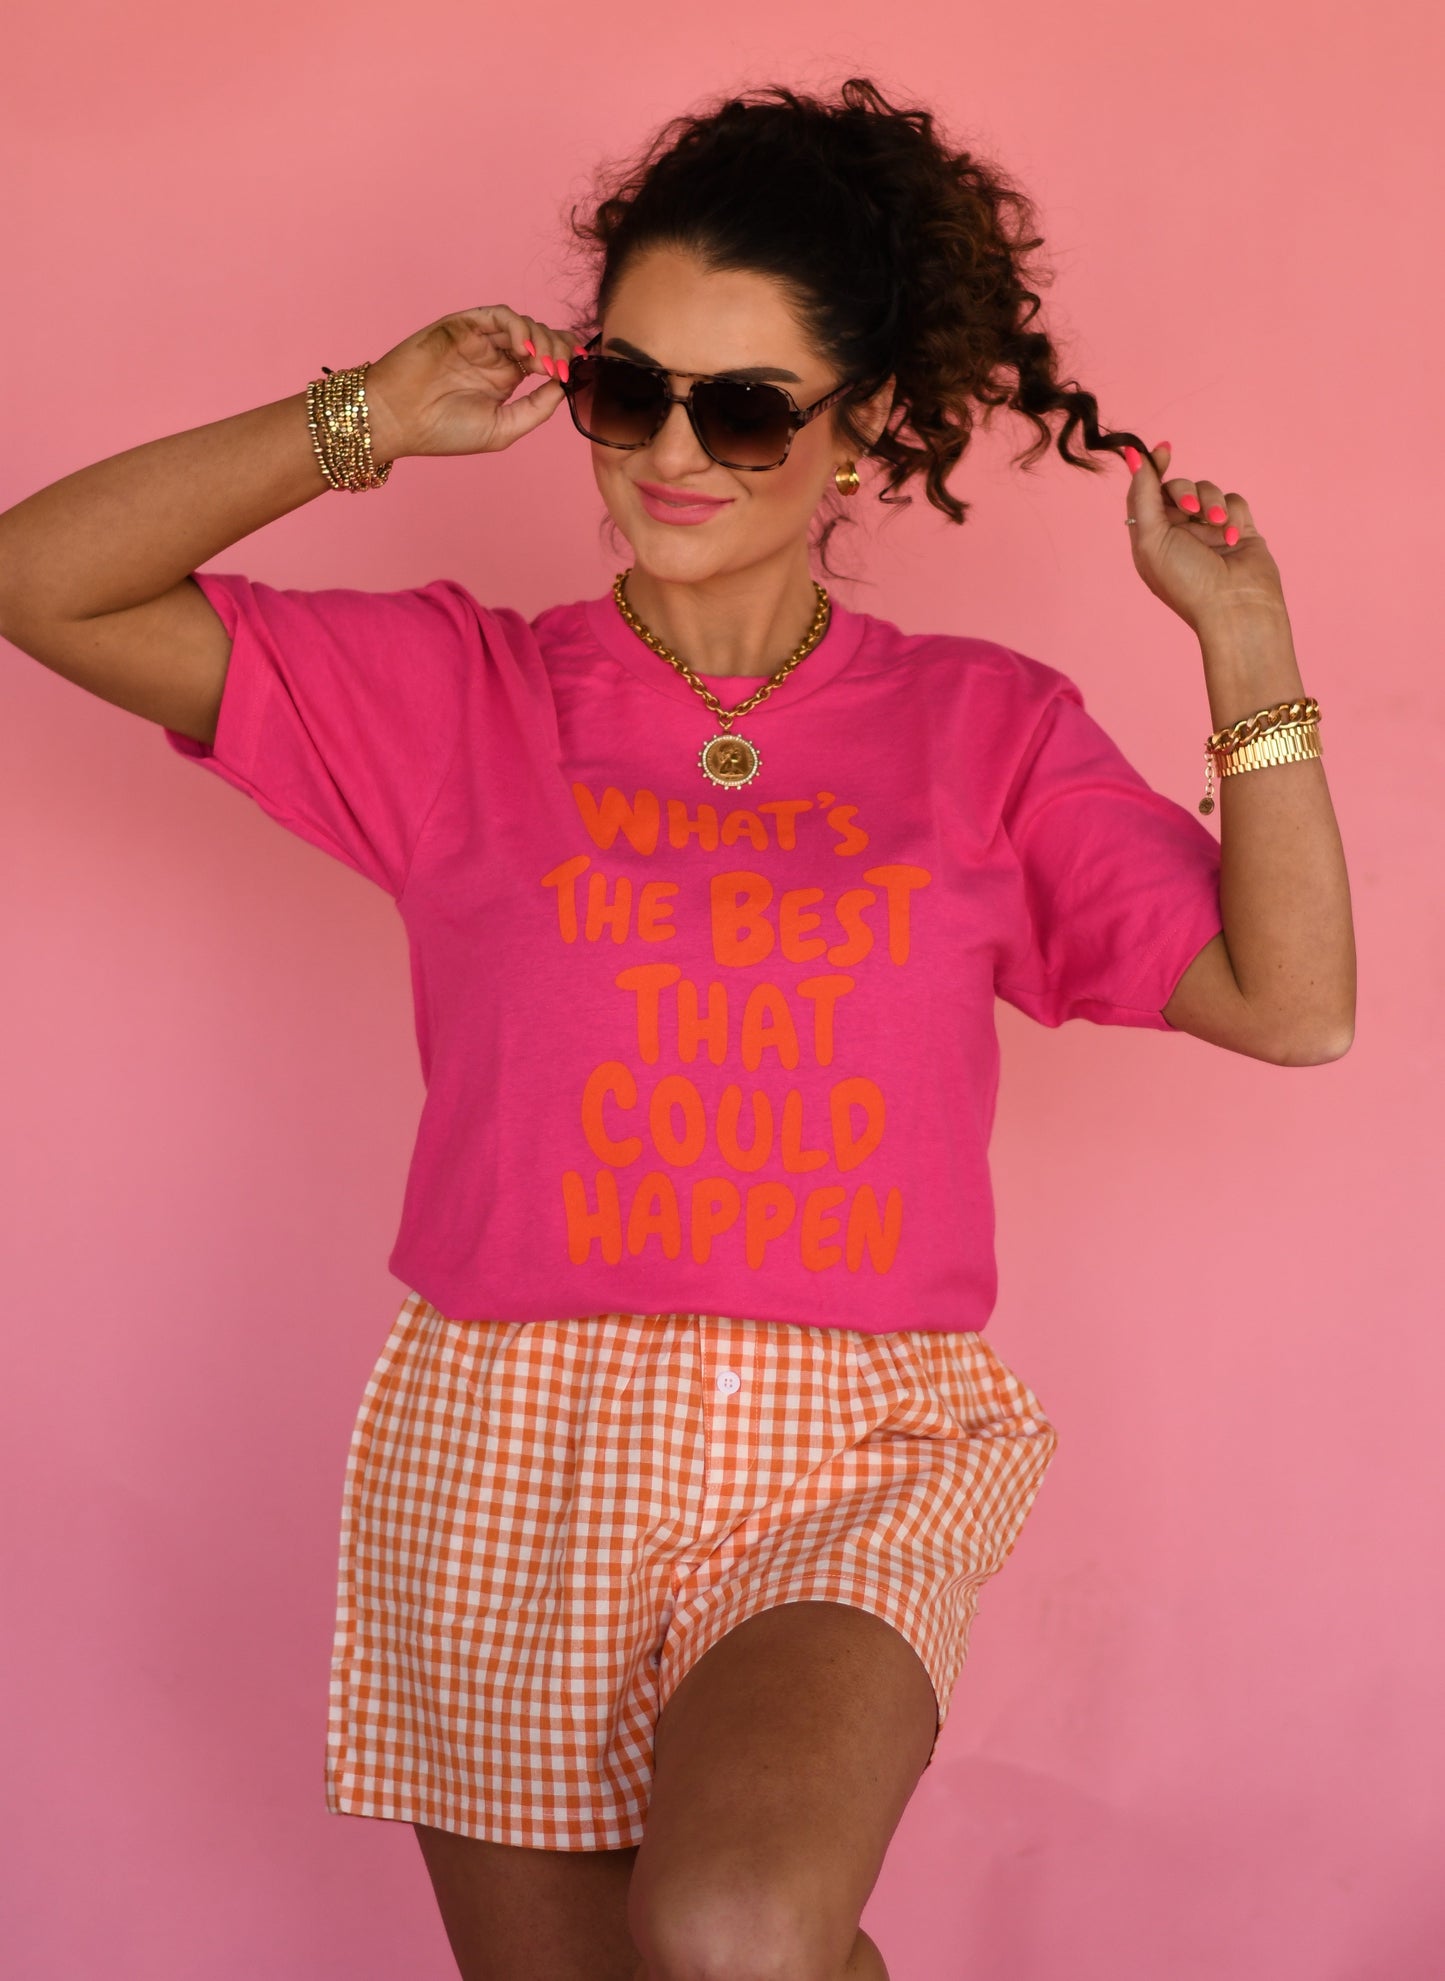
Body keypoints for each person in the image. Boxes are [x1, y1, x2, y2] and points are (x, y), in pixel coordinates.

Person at [0, 73, 1354, 1981]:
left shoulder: (986, 727)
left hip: (843, 1445)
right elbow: (36, 576)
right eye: (625, 390)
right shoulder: (457, 695)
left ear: (867, 424)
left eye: (743, 406)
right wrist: (366, 420)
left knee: (732, 1924)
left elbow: (1290, 1008)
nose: (670, 452)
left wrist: (1247, 648)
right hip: (506, 1445)